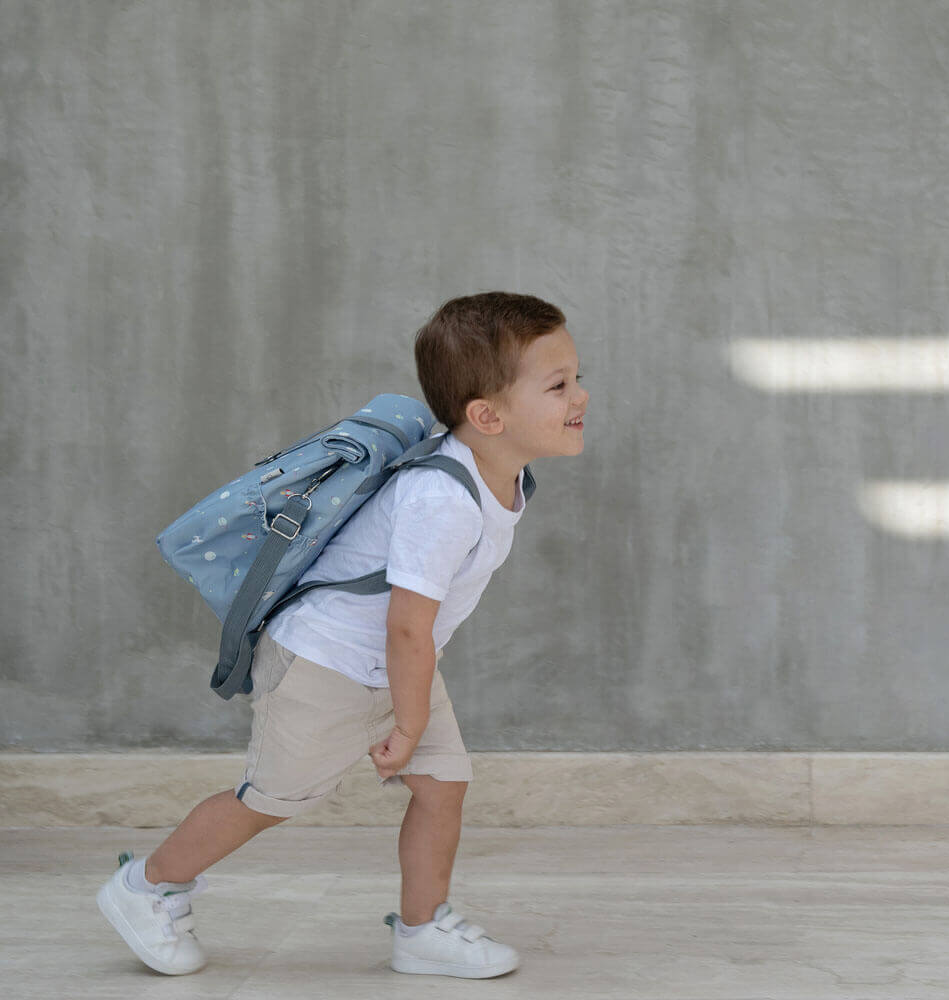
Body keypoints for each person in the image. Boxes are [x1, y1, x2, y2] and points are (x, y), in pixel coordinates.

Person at [96, 291, 589, 979]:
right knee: (272, 800)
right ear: (487, 415)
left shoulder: (503, 476)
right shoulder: (443, 498)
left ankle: (421, 931)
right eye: (559, 384)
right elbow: (408, 622)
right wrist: (411, 721)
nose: (581, 396)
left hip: (391, 664)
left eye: (577, 377)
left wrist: (409, 710)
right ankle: (147, 887)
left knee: (443, 786)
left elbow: (412, 634)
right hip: (323, 664)